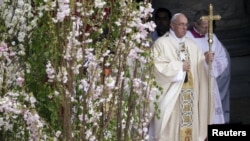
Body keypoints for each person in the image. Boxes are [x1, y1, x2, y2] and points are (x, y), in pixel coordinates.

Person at [149, 13, 215, 141]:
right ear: (172, 25)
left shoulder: (192, 45)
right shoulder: (161, 43)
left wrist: (206, 61)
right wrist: (178, 68)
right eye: (181, 25)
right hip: (173, 98)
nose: (185, 28)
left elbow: (199, 67)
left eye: (186, 24)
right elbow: (155, 67)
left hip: (191, 96)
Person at [186, 9, 231, 123]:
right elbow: (183, 61)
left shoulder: (212, 37)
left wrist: (212, 66)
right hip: (195, 83)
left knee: (213, 114)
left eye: (209, 27)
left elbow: (223, 59)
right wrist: (203, 60)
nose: (207, 30)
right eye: (204, 27)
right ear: (196, 24)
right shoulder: (186, 38)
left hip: (210, 83)